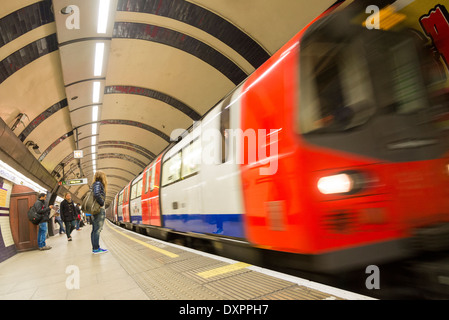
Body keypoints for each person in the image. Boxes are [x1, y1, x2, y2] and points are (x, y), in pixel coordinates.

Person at [91, 171, 108, 254]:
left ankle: (95, 248)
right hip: (99, 209)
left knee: (94, 230)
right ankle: (96, 248)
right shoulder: (98, 183)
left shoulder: (94, 184)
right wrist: (102, 203)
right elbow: (97, 194)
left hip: (95, 210)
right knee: (97, 230)